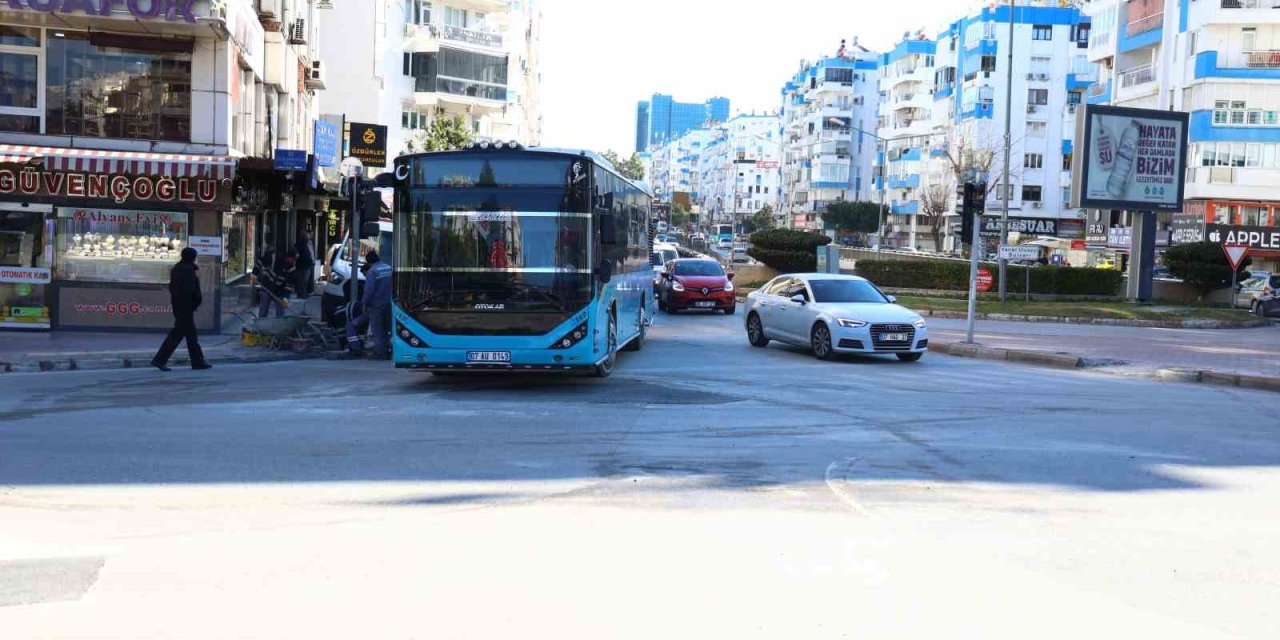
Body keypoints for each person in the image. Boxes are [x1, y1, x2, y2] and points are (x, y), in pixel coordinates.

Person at [151, 248, 211, 372]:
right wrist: (194, 302)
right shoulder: (187, 270)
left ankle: (197, 362)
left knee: (187, 335)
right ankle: (161, 360)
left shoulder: (178, 269)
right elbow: (189, 290)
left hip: (180, 306)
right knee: (182, 335)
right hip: (185, 307)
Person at [346, 250, 393, 359]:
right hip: (390, 303)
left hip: (377, 305)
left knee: (378, 329)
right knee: (388, 328)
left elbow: (369, 290)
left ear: (368, 262)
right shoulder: (388, 268)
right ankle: (390, 351)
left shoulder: (372, 271)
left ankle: (381, 353)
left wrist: (364, 303)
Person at [253, 247, 293, 318]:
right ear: (287, 257)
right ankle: (260, 324)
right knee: (263, 309)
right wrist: (254, 274)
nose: (292, 261)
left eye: (294, 260)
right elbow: (260, 262)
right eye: (291, 259)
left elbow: (289, 285)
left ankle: (278, 325)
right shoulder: (274, 258)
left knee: (281, 311)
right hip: (266, 287)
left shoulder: (291, 268)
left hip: (279, 291)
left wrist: (285, 298)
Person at [294, 231, 315, 298]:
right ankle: (301, 294)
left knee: (304, 281)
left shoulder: (309, 243)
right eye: (307, 235)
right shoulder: (300, 244)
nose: (308, 236)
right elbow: (297, 253)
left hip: (307, 264)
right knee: (302, 281)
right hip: (303, 264)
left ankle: (304, 293)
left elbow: (311, 253)